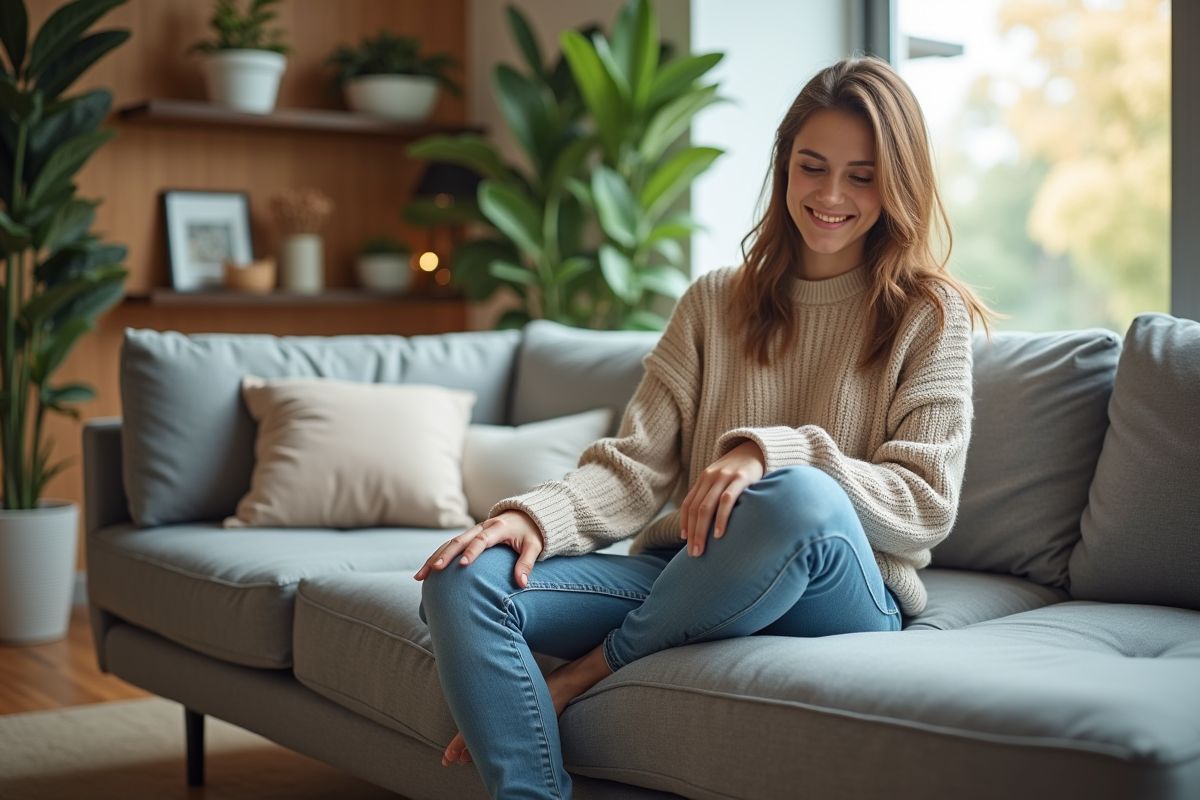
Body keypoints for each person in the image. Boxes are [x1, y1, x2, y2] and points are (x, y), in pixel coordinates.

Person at [413, 55, 992, 800]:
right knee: (462, 576)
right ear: (784, 166)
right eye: (812, 167)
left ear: (898, 184)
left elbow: (925, 503)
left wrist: (770, 451)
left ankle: (592, 670)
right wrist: (534, 519)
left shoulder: (929, 314)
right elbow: (634, 468)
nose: (830, 195)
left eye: (862, 175)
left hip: (838, 588)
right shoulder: (714, 301)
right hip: (690, 569)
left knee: (798, 497)